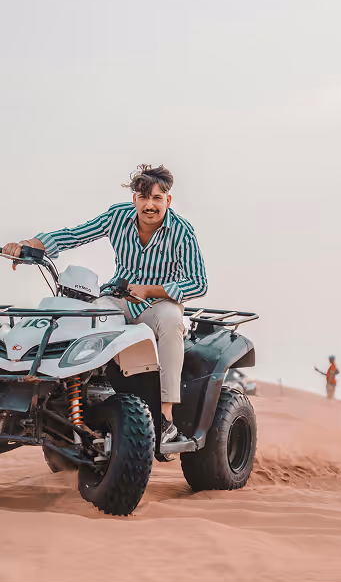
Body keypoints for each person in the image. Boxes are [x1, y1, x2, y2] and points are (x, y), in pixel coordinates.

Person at [2, 164, 208, 446]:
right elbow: (75, 234)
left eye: (157, 199)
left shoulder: (182, 232)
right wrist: (30, 244)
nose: (149, 205)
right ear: (134, 199)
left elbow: (198, 283)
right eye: (143, 198)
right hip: (118, 299)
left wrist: (150, 290)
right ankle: (71, 398)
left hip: (159, 304)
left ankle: (166, 416)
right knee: (83, 316)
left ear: (168, 201)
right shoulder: (117, 216)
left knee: (172, 323)